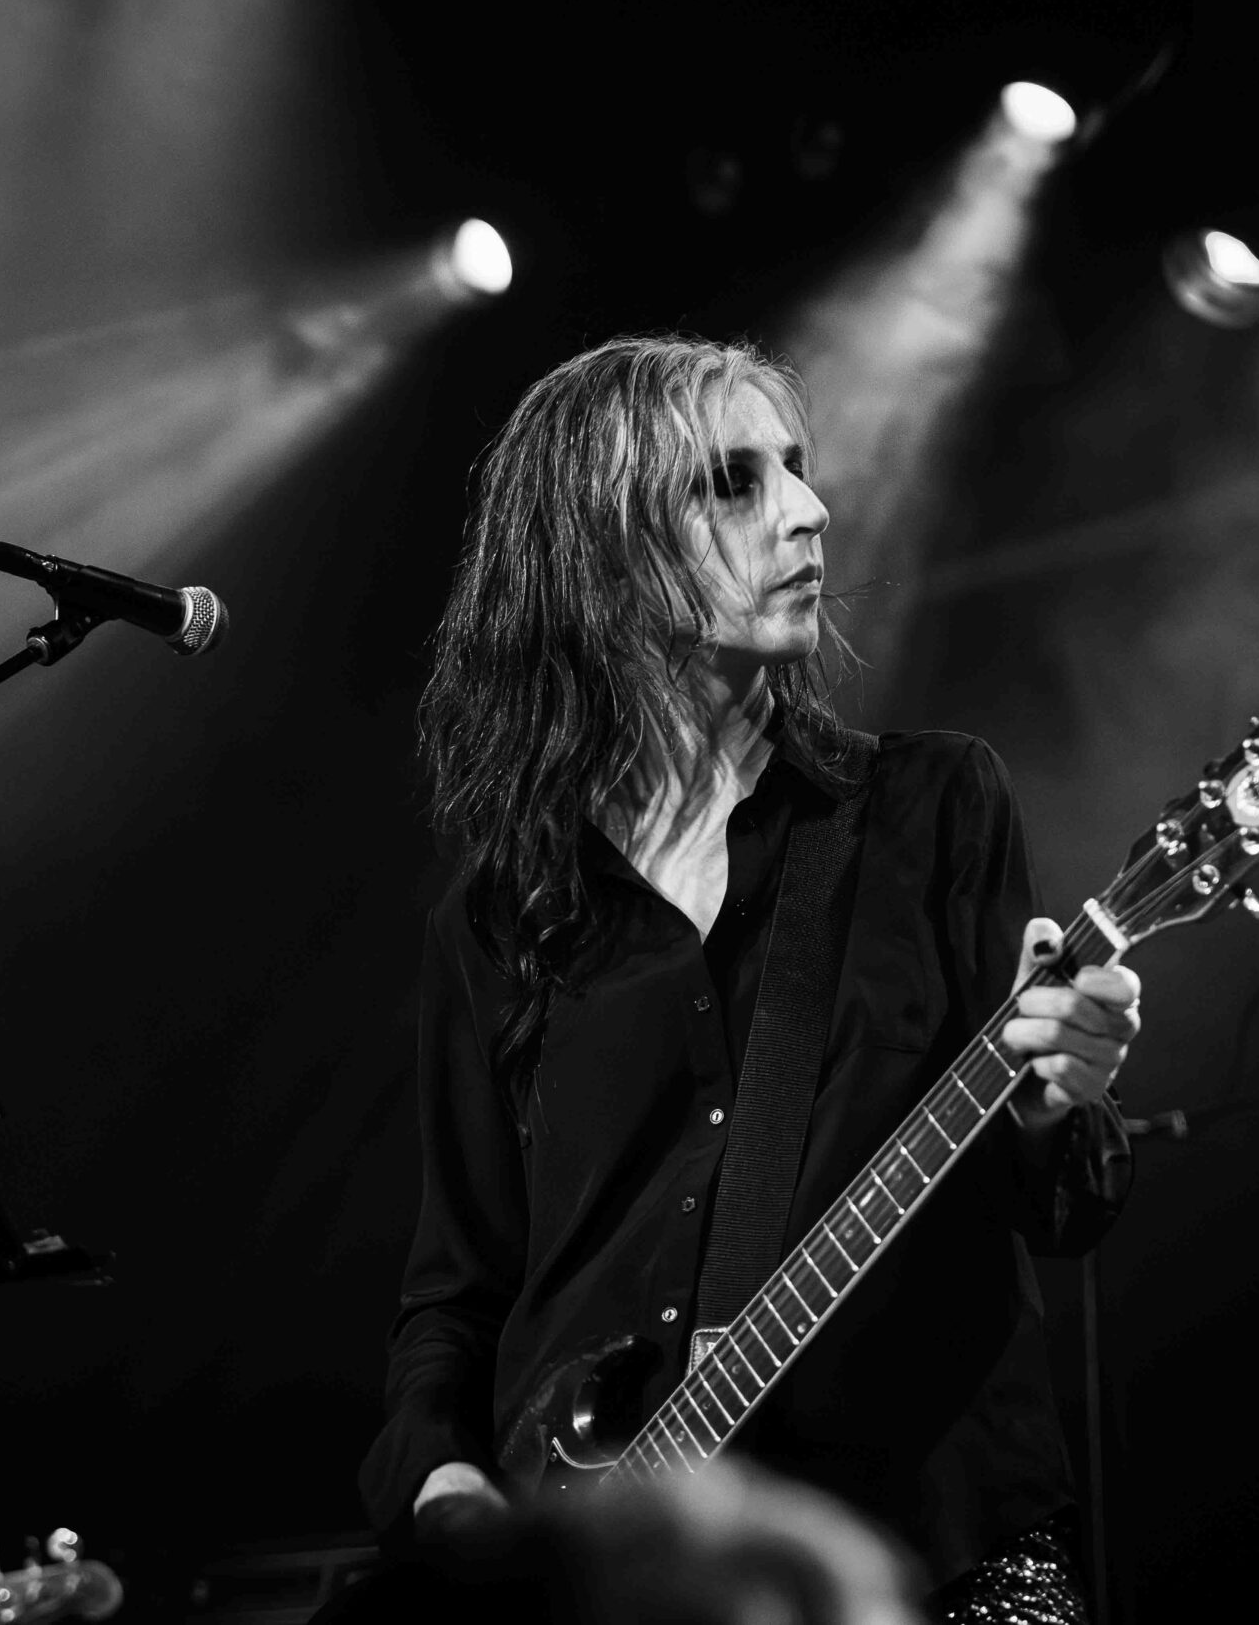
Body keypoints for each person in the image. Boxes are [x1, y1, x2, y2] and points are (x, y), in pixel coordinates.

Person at [356, 335, 1140, 1621]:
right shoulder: (499, 916)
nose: (808, 509)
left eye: (795, 466)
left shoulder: (928, 806)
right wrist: (446, 1488)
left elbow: (1055, 1208)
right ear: (601, 552)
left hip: (926, 1544)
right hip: (624, 1573)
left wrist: (1059, 1101)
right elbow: (459, 1292)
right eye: (731, 482)